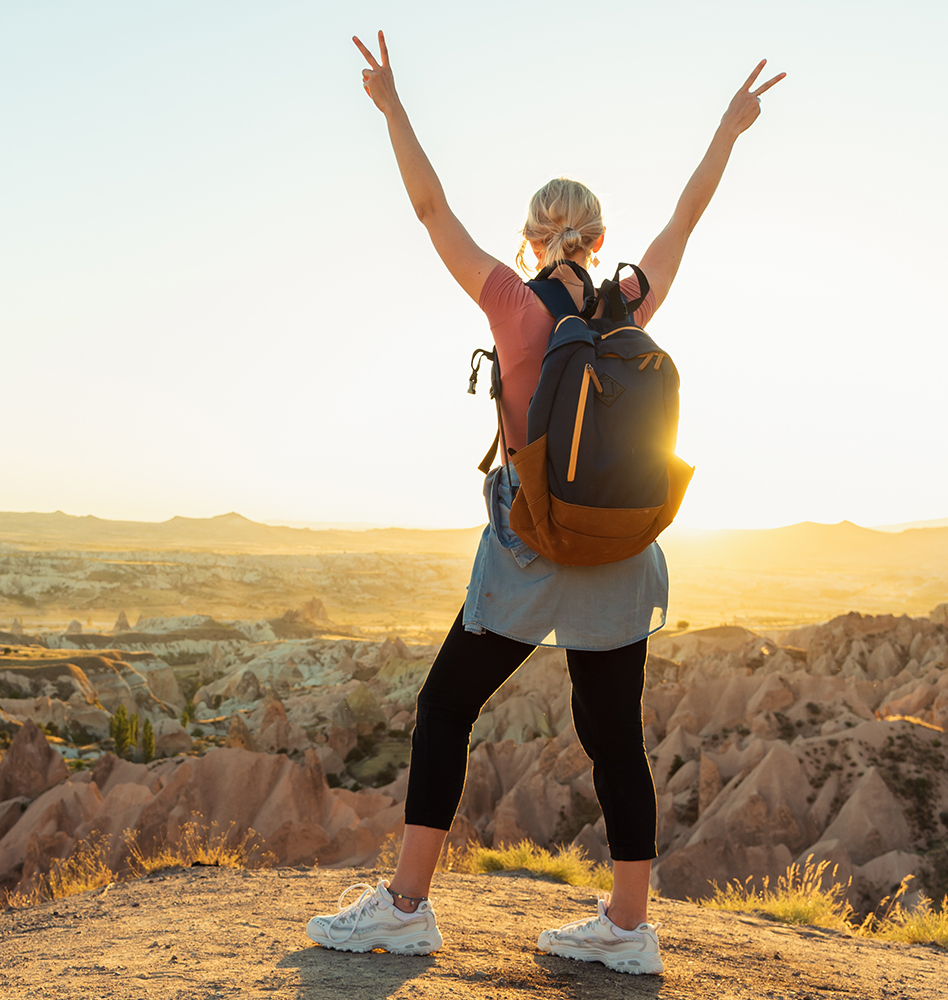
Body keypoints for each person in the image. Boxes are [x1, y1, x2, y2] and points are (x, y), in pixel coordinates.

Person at [303, 31, 784, 975]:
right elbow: (688, 216)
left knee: (446, 708)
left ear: (533, 234)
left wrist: (393, 106)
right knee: (613, 738)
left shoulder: (512, 306)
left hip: (529, 552)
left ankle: (407, 905)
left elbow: (428, 206)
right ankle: (630, 928)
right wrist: (730, 127)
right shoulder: (627, 307)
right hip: (618, 555)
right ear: (599, 241)